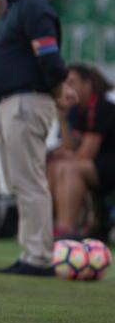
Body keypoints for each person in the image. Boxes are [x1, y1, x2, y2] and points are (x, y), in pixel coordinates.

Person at [0, 0, 74, 275]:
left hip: (27, 101)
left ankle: (38, 256)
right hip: (13, 103)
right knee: (20, 180)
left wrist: (58, 85)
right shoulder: (20, 6)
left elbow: (49, 57)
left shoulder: (35, 6)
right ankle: (30, 252)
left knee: (30, 179)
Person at [51, 65, 115, 238]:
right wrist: (62, 119)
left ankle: (66, 229)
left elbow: (86, 153)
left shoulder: (101, 107)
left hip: (108, 165)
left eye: (72, 82)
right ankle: (55, 224)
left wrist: (67, 153)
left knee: (70, 168)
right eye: (65, 83)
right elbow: (69, 146)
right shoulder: (75, 110)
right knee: (55, 165)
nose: (68, 88)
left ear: (87, 85)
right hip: (93, 166)